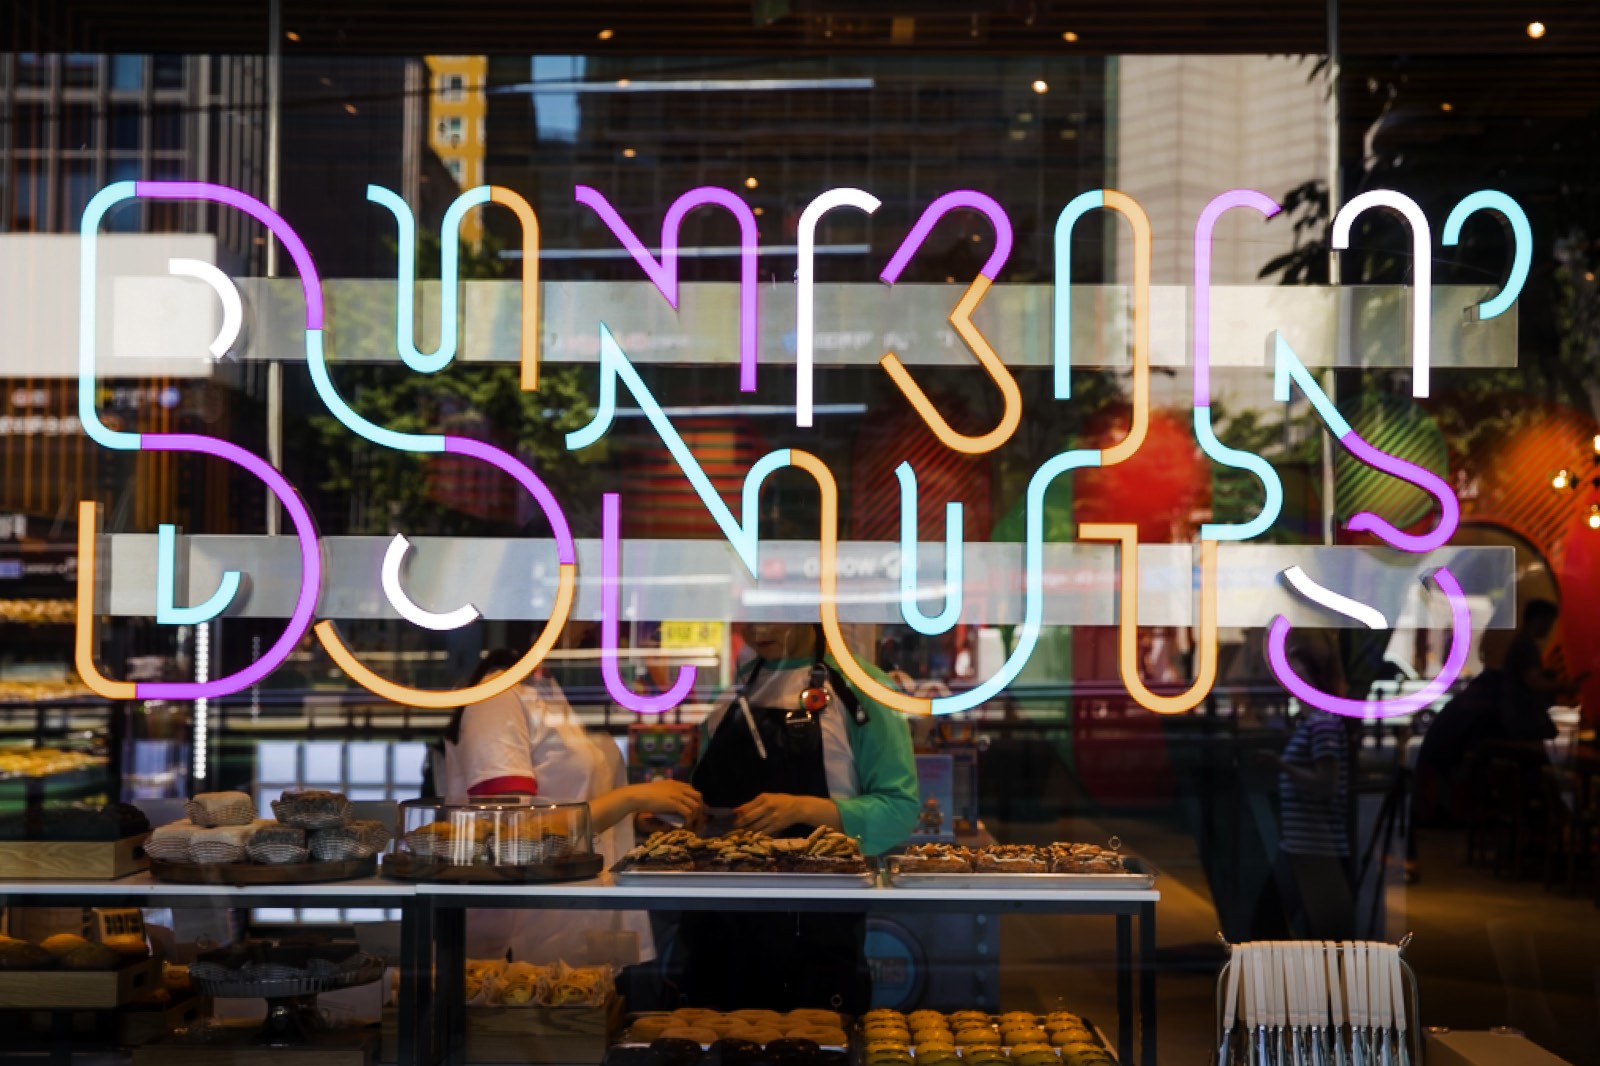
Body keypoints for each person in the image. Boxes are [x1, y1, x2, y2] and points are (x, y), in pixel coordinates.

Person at [674, 621, 919, 1012]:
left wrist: (801, 808)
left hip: (817, 927)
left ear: (807, 607)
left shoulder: (861, 688)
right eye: (748, 615)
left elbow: (900, 809)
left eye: (773, 613)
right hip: (717, 924)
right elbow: (708, 801)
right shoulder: (734, 690)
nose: (758, 629)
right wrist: (686, 817)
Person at [437, 649, 704, 964]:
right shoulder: (499, 697)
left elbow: (575, 797)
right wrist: (630, 798)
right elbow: (508, 834)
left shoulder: (558, 690)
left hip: (586, 923)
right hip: (529, 938)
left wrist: (632, 818)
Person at [1253, 627, 1355, 940]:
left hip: (1315, 851)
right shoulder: (1314, 721)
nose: (1289, 680)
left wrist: (1280, 765)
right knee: (1278, 927)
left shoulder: (1322, 723)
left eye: (1294, 671)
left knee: (1276, 927)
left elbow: (1327, 783)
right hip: (1303, 848)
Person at [1500, 599, 1585, 744]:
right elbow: (1534, 682)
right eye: (1549, 623)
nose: (1549, 628)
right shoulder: (1527, 646)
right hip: (1525, 718)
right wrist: (1564, 687)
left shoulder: (1520, 643)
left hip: (1518, 716)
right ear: (1538, 621)